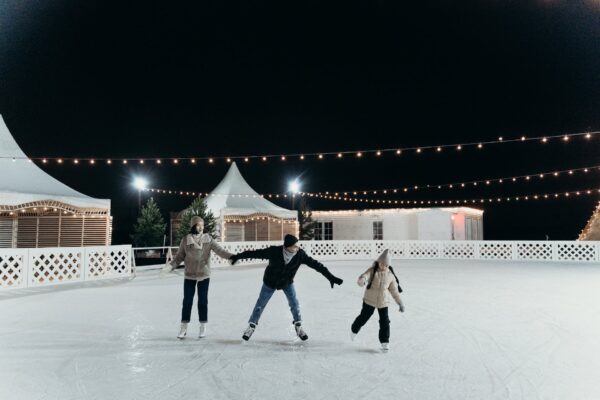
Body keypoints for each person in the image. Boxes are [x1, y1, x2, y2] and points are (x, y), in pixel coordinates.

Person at [229, 234, 343, 341]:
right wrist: (238, 256)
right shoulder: (274, 251)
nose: (297, 247)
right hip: (270, 281)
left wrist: (330, 277)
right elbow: (254, 253)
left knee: (294, 303)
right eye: (294, 246)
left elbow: (317, 265)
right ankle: (251, 326)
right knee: (260, 304)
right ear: (287, 247)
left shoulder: (300, 254)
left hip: (287, 282)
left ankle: (298, 326)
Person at [161, 216, 233, 339]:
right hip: (189, 275)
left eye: (202, 225)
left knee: (203, 301)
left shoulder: (208, 239)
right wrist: (170, 266)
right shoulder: (186, 240)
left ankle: (203, 326)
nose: (201, 227)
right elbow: (179, 257)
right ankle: (184, 327)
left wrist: (232, 257)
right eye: (198, 225)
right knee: (187, 302)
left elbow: (220, 251)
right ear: (193, 226)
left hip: (204, 275)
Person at [350, 249, 404, 351]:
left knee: (385, 322)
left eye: (386, 265)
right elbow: (365, 276)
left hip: (383, 302)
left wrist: (400, 303)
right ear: (378, 262)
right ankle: (354, 330)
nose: (383, 266)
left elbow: (394, 291)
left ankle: (385, 342)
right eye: (382, 263)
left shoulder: (390, 276)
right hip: (369, 300)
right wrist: (362, 280)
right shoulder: (372, 270)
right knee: (364, 317)